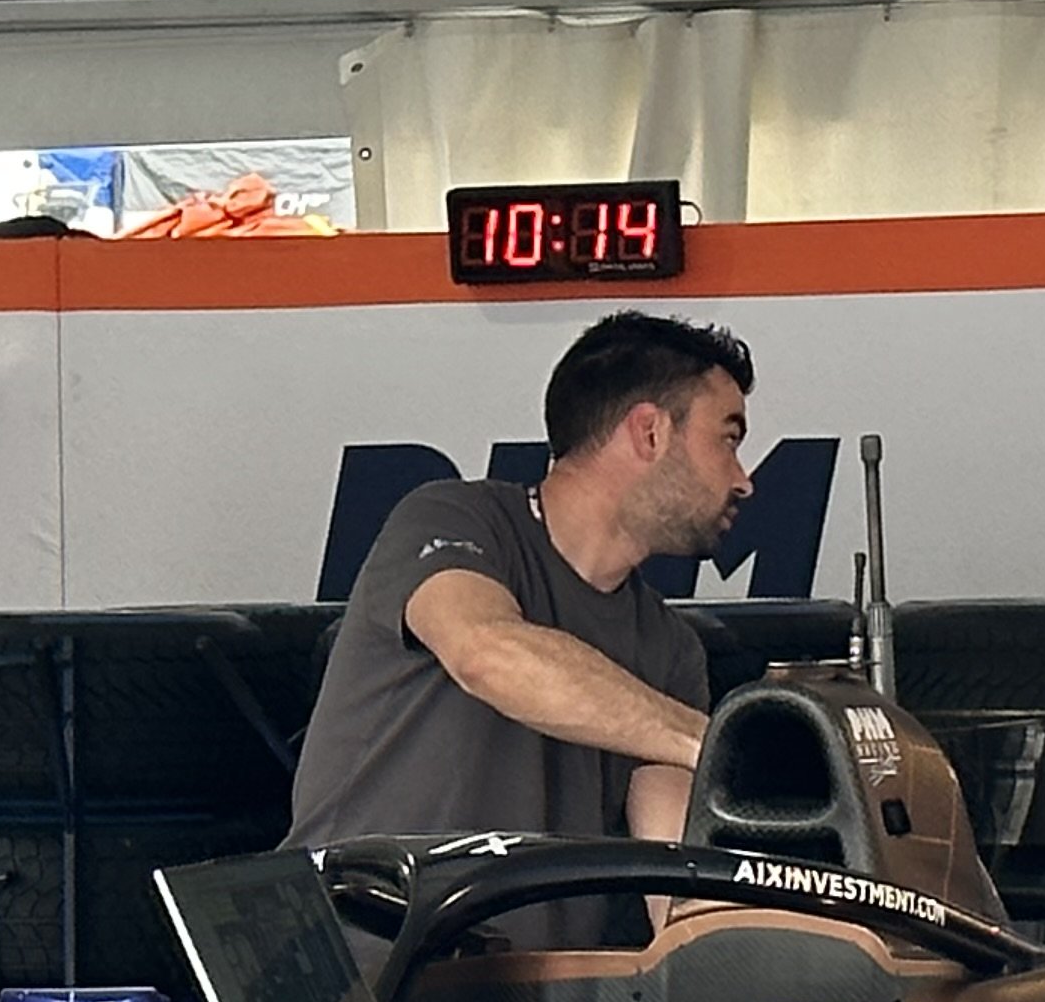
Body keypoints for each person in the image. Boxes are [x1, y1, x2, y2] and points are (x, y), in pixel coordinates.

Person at [286, 310, 754, 850]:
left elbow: (671, 867)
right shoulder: (451, 517)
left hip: (533, 914)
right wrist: (719, 742)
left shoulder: (671, 647)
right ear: (650, 432)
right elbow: (485, 652)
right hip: (360, 905)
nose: (744, 481)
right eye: (729, 440)